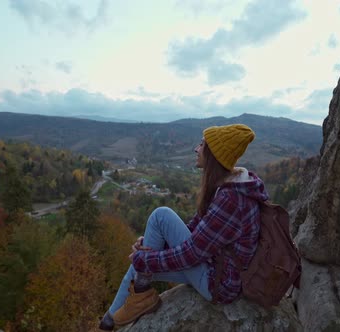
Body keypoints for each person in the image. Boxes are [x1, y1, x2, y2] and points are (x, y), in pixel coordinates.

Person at [99, 124, 269, 331]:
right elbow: (195, 231)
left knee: (160, 218)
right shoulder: (226, 187)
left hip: (220, 284)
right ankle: (112, 319)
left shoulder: (231, 199)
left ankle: (116, 316)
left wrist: (146, 259)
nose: (196, 149)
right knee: (142, 261)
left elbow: (192, 253)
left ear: (214, 155)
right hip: (214, 266)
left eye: (202, 145)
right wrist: (151, 249)